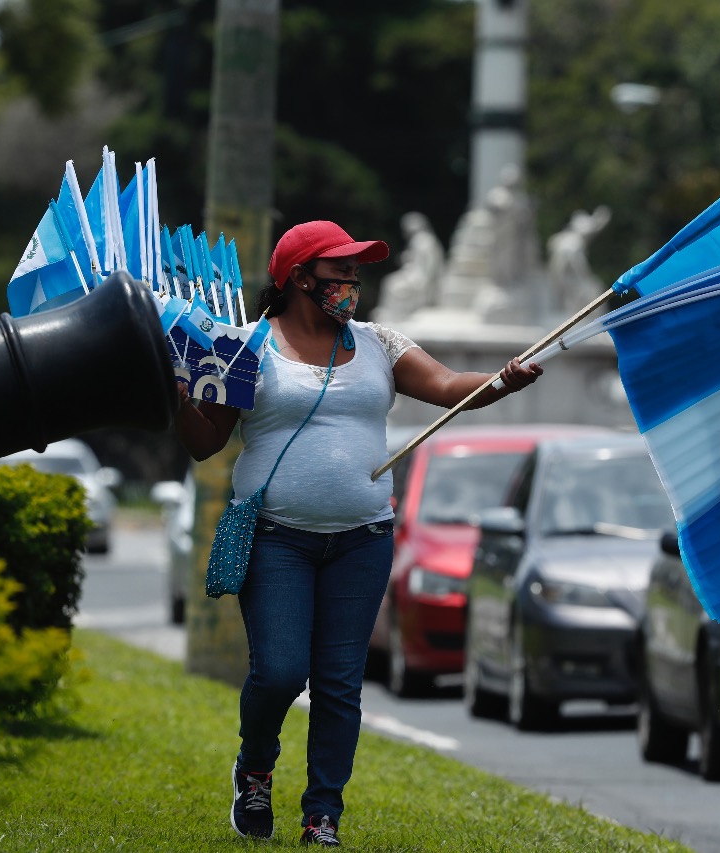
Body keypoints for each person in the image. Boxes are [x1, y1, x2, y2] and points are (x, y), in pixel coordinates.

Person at [174, 220, 542, 847]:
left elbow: (448, 387)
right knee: (281, 672)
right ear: (298, 278)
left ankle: (323, 816)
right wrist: (173, 387)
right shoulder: (244, 346)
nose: (351, 281)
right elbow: (205, 442)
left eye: (355, 269)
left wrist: (501, 381)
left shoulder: (378, 343)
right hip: (277, 538)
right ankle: (255, 769)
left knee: (340, 683)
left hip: (363, 538)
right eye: (338, 269)